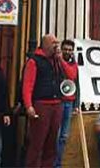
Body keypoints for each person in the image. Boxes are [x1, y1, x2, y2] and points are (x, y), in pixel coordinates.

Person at [22, 34, 67, 168]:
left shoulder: (56, 61)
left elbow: (70, 76)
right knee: (37, 142)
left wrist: (61, 60)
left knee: (51, 143)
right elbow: (27, 85)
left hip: (57, 104)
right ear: (46, 44)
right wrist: (29, 105)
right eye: (54, 43)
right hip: (42, 105)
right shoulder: (34, 61)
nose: (56, 46)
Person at [54, 39, 80, 168]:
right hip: (58, 102)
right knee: (56, 135)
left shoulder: (74, 65)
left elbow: (76, 83)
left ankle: (58, 164)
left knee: (64, 136)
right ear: (62, 49)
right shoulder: (56, 62)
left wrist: (76, 104)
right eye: (66, 49)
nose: (68, 52)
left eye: (70, 50)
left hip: (69, 104)